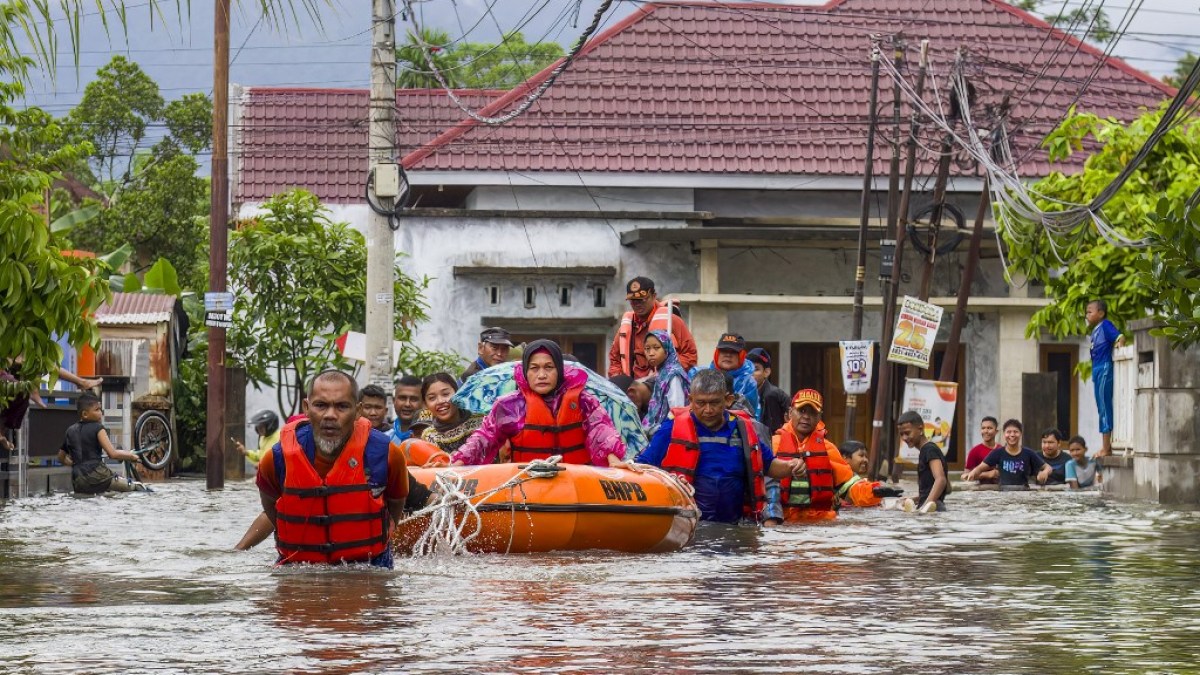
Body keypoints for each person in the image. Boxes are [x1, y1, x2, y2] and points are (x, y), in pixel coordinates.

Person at [254, 370, 409, 567]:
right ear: (306, 408)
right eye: (320, 405)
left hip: (369, 564)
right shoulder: (277, 458)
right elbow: (269, 501)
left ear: (358, 411)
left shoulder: (386, 454)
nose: (330, 415)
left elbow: (396, 500)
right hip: (299, 566)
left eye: (342, 406)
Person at [635, 369, 804, 524]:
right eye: (701, 403)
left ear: (728, 400)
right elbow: (643, 466)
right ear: (691, 400)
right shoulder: (671, 428)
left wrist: (790, 466)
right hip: (688, 525)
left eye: (714, 403)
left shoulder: (743, 429)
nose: (708, 410)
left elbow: (770, 466)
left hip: (735, 525)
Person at [452, 339, 627, 467]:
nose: (542, 375)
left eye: (549, 367)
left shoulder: (583, 401)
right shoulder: (509, 406)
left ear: (559, 370)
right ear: (526, 372)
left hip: (577, 482)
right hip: (529, 483)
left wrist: (614, 460)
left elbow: (601, 430)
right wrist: (459, 462)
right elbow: (484, 437)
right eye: (534, 368)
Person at [772, 389, 898, 521]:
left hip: (820, 524)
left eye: (812, 412)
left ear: (819, 417)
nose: (806, 417)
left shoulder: (828, 449)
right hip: (782, 522)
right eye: (801, 411)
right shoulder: (773, 444)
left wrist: (874, 492)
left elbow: (850, 488)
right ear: (791, 412)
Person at [608, 276, 698, 378]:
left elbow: (690, 355)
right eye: (633, 301)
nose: (637, 304)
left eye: (642, 300)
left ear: (654, 296)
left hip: (665, 386)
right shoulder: (626, 327)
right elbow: (614, 359)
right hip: (635, 389)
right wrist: (618, 378)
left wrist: (667, 371)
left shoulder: (672, 321)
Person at [55, 392, 144, 494]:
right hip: (99, 476)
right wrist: (131, 456)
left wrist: (75, 464)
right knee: (137, 488)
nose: (100, 412)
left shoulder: (70, 430)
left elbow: (60, 457)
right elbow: (112, 454)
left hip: (78, 480)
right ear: (85, 414)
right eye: (97, 410)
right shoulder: (98, 428)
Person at [962, 419, 1052, 488]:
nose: (1012, 435)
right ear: (1004, 434)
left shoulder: (1028, 453)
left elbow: (1048, 467)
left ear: (1021, 434)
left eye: (1015, 432)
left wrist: (1044, 472)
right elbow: (980, 468)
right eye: (1008, 432)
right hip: (1003, 492)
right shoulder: (997, 453)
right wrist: (973, 473)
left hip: (1023, 492)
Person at [1086, 300, 1124, 457]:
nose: (1086, 315)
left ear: (1100, 313)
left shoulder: (1105, 325)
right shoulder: (1095, 331)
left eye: (1089, 311)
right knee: (1100, 406)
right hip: (1097, 369)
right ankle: (1104, 446)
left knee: (1104, 406)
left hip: (1104, 368)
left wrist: (1119, 346)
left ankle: (1106, 448)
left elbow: (1119, 337)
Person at [691, 333, 760, 418]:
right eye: (723, 351)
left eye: (734, 352)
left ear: (741, 356)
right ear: (717, 353)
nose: (728, 355)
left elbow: (750, 415)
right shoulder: (696, 375)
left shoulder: (749, 383)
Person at [418, 373, 485, 455]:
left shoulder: (481, 421)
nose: (440, 401)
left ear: (457, 394)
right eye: (432, 398)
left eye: (445, 394)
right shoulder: (429, 436)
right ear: (425, 404)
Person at [896, 410, 949, 512]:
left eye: (907, 433)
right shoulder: (926, 450)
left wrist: (925, 507)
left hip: (934, 508)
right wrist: (914, 499)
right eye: (901, 434)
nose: (904, 438)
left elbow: (941, 480)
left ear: (920, 429)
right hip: (933, 507)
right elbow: (942, 487)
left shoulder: (929, 449)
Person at [641, 330, 690, 434]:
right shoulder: (662, 372)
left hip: (668, 433)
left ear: (666, 349)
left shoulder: (673, 375)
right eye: (647, 349)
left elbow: (677, 410)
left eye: (656, 348)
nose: (651, 353)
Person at [747, 348, 789, 435]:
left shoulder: (776, 396)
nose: (750, 373)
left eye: (756, 369)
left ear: (766, 372)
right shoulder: (741, 393)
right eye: (748, 368)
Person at [964, 416, 1000, 484]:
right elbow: (965, 476)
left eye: (989, 428)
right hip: (980, 491)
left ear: (996, 431)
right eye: (983, 428)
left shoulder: (1001, 450)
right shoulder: (975, 451)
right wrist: (987, 474)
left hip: (1001, 491)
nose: (986, 431)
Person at [390, 375, 423, 443]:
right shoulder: (385, 437)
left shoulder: (432, 437)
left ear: (423, 403)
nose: (407, 404)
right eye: (402, 398)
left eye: (414, 399)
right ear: (394, 401)